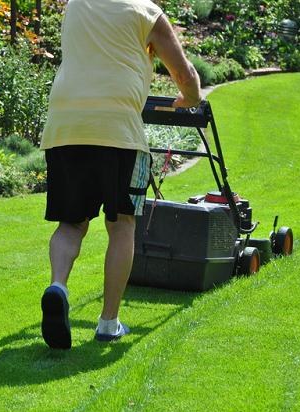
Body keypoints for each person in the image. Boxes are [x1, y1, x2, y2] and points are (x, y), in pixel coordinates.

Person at [39, 0, 202, 349]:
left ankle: (58, 286)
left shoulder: (76, 4)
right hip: (117, 130)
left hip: (66, 124)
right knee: (122, 224)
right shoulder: (146, 12)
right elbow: (184, 74)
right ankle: (109, 323)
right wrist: (190, 97)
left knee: (70, 224)